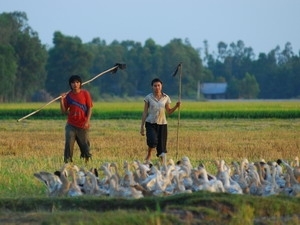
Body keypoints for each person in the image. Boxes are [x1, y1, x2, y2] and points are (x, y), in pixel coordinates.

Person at [140, 78, 181, 163]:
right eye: (155, 86)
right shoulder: (148, 98)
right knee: (152, 140)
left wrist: (176, 106)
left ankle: (162, 161)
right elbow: (144, 113)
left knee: (162, 145)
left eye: (158, 85)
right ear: (152, 87)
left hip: (162, 124)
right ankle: (149, 154)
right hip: (150, 123)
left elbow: (169, 111)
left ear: (161, 86)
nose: (157, 87)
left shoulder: (166, 97)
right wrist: (142, 127)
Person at [60, 75, 93, 163]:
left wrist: (87, 121)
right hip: (71, 125)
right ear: (70, 84)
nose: (75, 84)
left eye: (77, 82)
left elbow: (90, 108)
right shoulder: (68, 96)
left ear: (80, 84)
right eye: (73, 82)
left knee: (85, 145)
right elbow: (64, 111)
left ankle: (87, 160)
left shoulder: (85, 94)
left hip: (83, 124)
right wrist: (61, 101)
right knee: (69, 143)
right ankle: (67, 161)